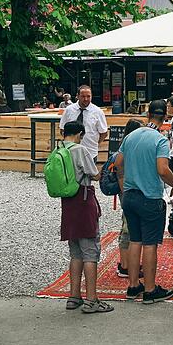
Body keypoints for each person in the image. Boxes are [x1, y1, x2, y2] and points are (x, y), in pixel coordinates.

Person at [114, 99, 173, 304]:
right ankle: (150, 289)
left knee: (135, 240)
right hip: (149, 196)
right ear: (165, 116)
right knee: (150, 243)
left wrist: (125, 182)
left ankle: (133, 286)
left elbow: (118, 163)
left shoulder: (131, 135)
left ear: (148, 114)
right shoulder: (160, 140)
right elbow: (162, 169)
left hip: (130, 195)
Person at [59, 121, 113, 314]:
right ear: (80, 133)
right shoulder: (80, 150)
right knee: (90, 252)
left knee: (75, 252)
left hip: (68, 203)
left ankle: (73, 296)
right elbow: (94, 175)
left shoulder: (59, 149)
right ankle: (92, 299)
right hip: (83, 200)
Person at [116, 119, 145, 279]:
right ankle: (125, 265)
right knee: (127, 228)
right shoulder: (127, 150)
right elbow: (120, 168)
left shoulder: (126, 146)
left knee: (129, 226)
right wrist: (125, 190)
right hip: (128, 191)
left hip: (129, 191)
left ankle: (127, 262)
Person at [60, 85, 108, 163]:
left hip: (90, 153)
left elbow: (104, 133)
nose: (86, 99)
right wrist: (70, 143)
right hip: (71, 153)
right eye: (83, 96)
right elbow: (62, 130)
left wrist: (95, 144)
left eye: (88, 96)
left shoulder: (98, 112)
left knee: (89, 175)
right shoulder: (69, 110)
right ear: (77, 96)